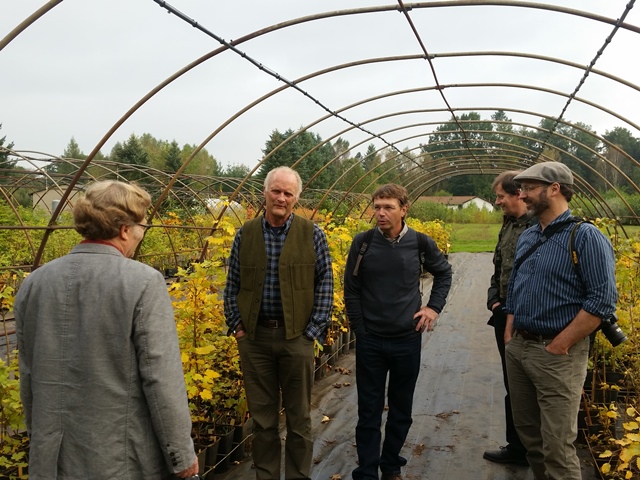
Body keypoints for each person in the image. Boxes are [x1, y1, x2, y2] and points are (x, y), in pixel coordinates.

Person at [15, 180, 198, 479]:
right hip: (120, 459)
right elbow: (162, 379)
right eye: (142, 226)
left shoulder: (35, 283)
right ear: (124, 229)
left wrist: (42, 440)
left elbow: (29, 376)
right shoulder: (143, 282)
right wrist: (182, 456)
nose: (142, 233)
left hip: (53, 460)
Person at [504, 162, 617, 479]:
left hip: (557, 356)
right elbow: (514, 287)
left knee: (557, 446)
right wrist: (511, 333)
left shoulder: (585, 236)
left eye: (528, 187)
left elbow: (602, 300)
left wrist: (560, 344)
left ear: (554, 189)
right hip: (520, 349)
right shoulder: (528, 236)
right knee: (531, 439)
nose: (522, 194)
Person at [223, 166, 333, 480]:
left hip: (296, 337)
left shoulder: (312, 233)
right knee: (262, 419)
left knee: (299, 418)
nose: (281, 198)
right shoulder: (246, 233)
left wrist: (312, 331)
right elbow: (232, 284)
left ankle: (298, 475)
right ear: (265, 193)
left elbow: (325, 282)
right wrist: (238, 328)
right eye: (276, 191)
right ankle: (266, 475)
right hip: (255, 340)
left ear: (296, 198)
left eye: (288, 193)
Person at [344, 184, 452, 480]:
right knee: (369, 409)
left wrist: (433, 307)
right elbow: (351, 291)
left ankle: (391, 465)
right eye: (377, 206)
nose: (380, 213)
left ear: (404, 209)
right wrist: (361, 331)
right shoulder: (362, 244)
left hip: (406, 339)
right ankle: (366, 471)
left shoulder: (420, 243)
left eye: (388, 207)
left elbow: (444, 272)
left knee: (401, 408)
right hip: (371, 341)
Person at [483, 171, 532, 466]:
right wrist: (494, 300)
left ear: (518, 194)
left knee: (531, 384)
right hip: (504, 314)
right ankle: (517, 448)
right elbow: (498, 265)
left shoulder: (539, 226)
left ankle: (535, 449)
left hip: (530, 316)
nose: (497, 201)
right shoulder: (509, 225)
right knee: (511, 382)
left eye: (501, 195)